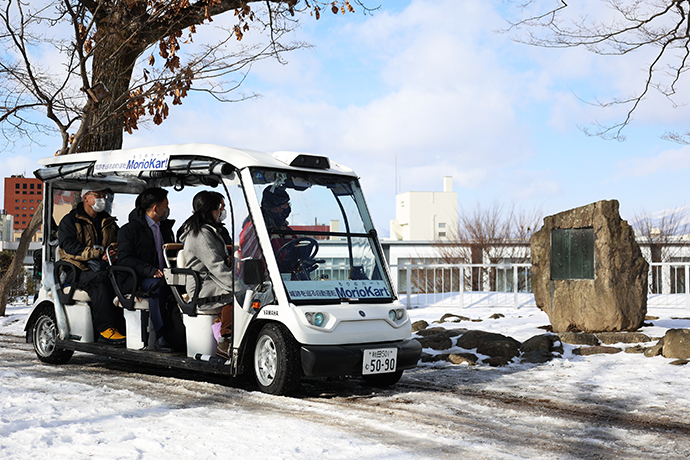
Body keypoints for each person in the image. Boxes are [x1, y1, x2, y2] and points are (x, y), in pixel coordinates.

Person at [58, 186, 124, 346]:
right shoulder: (70, 221)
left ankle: (124, 325)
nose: (102, 199)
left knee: (124, 278)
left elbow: (119, 240)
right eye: (98, 195)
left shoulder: (108, 221)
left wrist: (115, 250)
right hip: (78, 269)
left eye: (104, 196)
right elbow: (69, 246)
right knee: (99, 281)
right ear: (85, 198)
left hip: (105, 266)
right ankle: (105, 328)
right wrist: (96, 254)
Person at [117, 187, 175, 352]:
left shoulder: (164, 229)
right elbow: (125, 259)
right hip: (136, 279)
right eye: (166, 206)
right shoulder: (129, 230)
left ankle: (179, 334)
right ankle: (161, 334)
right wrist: (149, 270)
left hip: (163, 275)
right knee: (158, 285)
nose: (167, 210)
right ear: (156, 208)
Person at [178, 191, 234, 359]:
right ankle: (225, 341)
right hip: (203, 288)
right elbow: (216, 267)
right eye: (220, 207)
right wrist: (241, 285)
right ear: (210, 209)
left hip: (213, 281)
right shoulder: (200, 234)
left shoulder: (211, 230)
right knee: (241, 296)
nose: (222, 211)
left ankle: (221, 327)